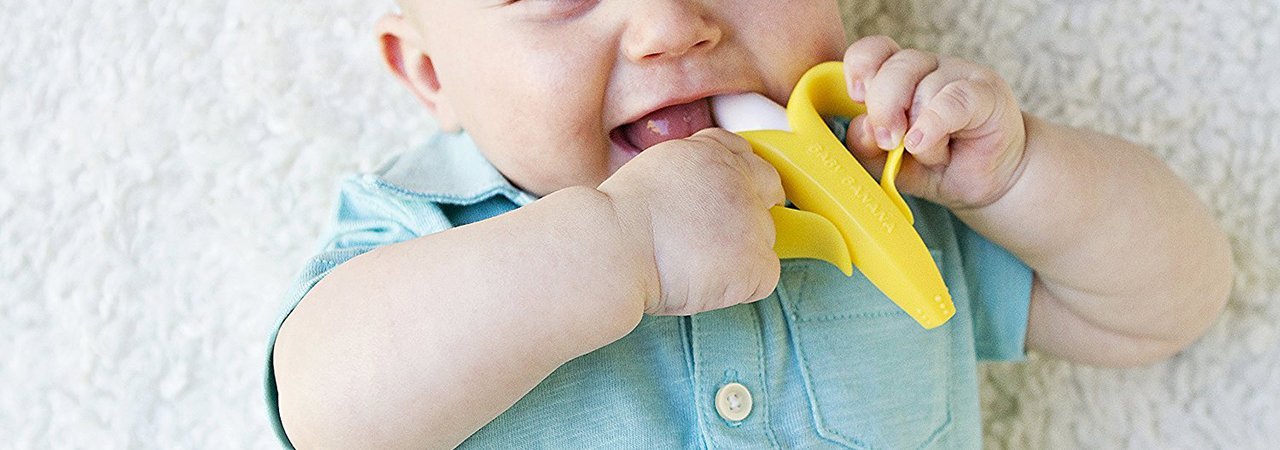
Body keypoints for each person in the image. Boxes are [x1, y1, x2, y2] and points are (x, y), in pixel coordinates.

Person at [266, 1, 1234, 447]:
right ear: (432, 74)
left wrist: (1018, 173)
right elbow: (320, 411)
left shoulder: (877, 192)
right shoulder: (430, 229)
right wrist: (621, 247)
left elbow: (1167, 302)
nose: (667, 25)